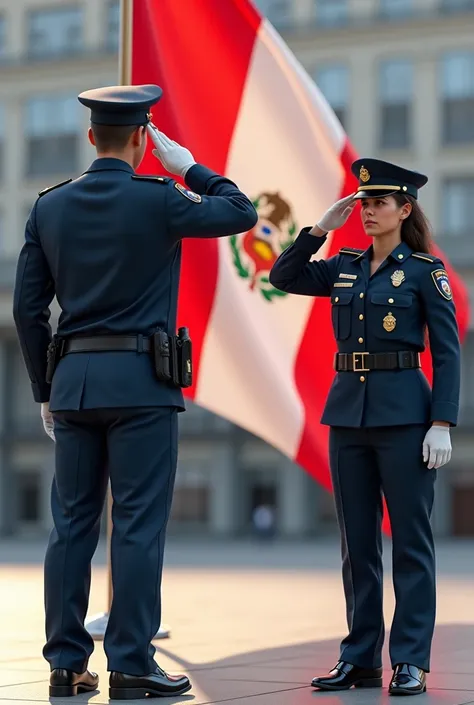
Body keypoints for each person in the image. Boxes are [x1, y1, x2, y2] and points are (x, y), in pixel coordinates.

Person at [12, 84, 257, 700]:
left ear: (90, 137)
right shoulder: (161, 198)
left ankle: (66, 665)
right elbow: (241, 211)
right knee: (138, 528)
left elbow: (27, 310)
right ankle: (131, 664)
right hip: (144, 387)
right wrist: (188, 167)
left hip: (72, 386)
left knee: (69, 527)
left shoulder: (49, 207)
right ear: (144, 142)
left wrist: (46, 385)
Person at [269, 158, 460, 697]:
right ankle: (359, 658)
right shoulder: (343, 266)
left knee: (411, 544)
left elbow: (446, 353)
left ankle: (410, 660)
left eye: (380, 203)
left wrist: (442, 422)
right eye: (364, 202)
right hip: (347, 416)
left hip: (406, 419)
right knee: (357, 545)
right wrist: (318, 230)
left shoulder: (425, 272)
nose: (369, 211)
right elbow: (283, 276)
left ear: (405, 209)